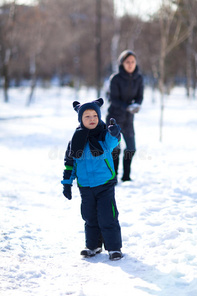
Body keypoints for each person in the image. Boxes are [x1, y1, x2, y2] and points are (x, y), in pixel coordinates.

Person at [61, 98, 123, 260]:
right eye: (87, 116)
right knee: (89, 216)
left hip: (104, 184)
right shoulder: (75, 141)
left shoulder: (104, 135)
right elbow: (70, 164)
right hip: (85, 186)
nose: (92, 119)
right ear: (80, 119)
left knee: (108, 216)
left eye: (95, 115)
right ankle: (93, 246)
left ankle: (114, 248)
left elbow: (112, 142)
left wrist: (115, 133)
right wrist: (67, 183)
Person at [106, 49, 144, 181]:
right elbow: (113, 99)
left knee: (131, 148)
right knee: (115, 149)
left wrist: (137, 105)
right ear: (122, 63)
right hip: (114, 118)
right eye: (127, 62)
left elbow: (140, 97)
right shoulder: (115, 78)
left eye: (132, 62)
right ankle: (113, 176)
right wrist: (127, 107)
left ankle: (126, 176)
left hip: (128, 118)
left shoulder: (138, 78)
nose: (130, 64)